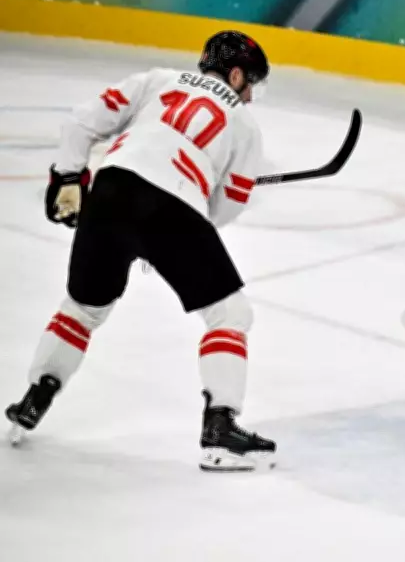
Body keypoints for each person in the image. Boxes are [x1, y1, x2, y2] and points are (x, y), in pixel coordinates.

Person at [5, 30, 276, 472]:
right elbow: (229, 204)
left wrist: (67, 178)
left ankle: (35, 397)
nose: (249, 98)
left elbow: (80, 123)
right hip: (172, 207)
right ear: (236, 74)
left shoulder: (159, 80)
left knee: (82, 308)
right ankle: (221, 428)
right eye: (251, 85)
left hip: (110, 188)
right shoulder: (244, 125)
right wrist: (178, 225)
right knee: (230, 314)